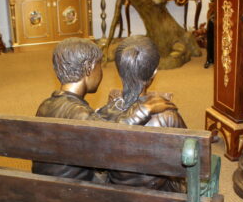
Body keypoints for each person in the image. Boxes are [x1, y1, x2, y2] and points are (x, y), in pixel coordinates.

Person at [32, 37, 176, 180]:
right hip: (73, 195)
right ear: (89, 68)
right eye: (99, 65)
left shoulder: (45, 106)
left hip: (44, 188)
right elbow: (110, 139)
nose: (101, 72)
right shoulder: (80, 114)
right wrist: (144, 109)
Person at [97, 35, 186, 192]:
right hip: (159, 199)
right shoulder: (168, 116)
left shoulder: (103, 114)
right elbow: (191, 160)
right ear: (155, 71)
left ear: (119, 70)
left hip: (116, 193)